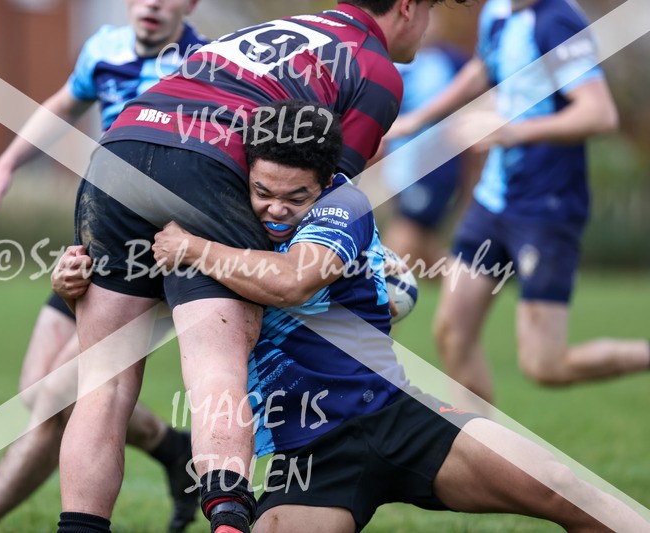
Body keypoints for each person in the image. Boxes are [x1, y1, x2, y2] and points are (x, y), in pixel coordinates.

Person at [57, 100, 649, 532]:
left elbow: (292, 281)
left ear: (326, 185)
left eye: (296, 197)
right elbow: (141, 309)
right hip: (307, 461)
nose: (277, 209)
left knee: (567, 490)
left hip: (401, 417)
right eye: (264, 192)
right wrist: (76, 284)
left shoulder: (346, 206)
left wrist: (192, 248)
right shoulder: (222, 224)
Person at [56, 2, 472, 532]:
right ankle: (230, 522)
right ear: (408, 8)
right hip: (206, 158)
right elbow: (319, 199)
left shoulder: (275, 28)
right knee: (216, 365)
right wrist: (362, 268)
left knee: (103, 384)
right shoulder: (375, 66)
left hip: (119, 146)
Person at [0, 2, 207, 532]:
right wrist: (6, 166)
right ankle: (173, 449)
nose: (152, 3)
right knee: (39, 391)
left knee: (61, 394)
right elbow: (61, 106)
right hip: (99, 238)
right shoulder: (102, 48)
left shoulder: (205, 65)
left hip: (154, 256)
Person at [389, 0, 650, 411]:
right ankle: (483, 443)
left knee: (545, 365)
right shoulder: (498, 11)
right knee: (453, 332)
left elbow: (599, 113)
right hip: (494, 200)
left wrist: (514, 131)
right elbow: (481, 69)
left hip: (545, 208)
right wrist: (419, 119)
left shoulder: (555, 22)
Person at [378, 26, 474, 270]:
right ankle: (471, 277)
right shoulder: (390, 62)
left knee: (405, 231)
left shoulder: (453, 62)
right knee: (423, 242)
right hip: (401, 164)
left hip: (433, 166)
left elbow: (477, 100)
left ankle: (374, 287)